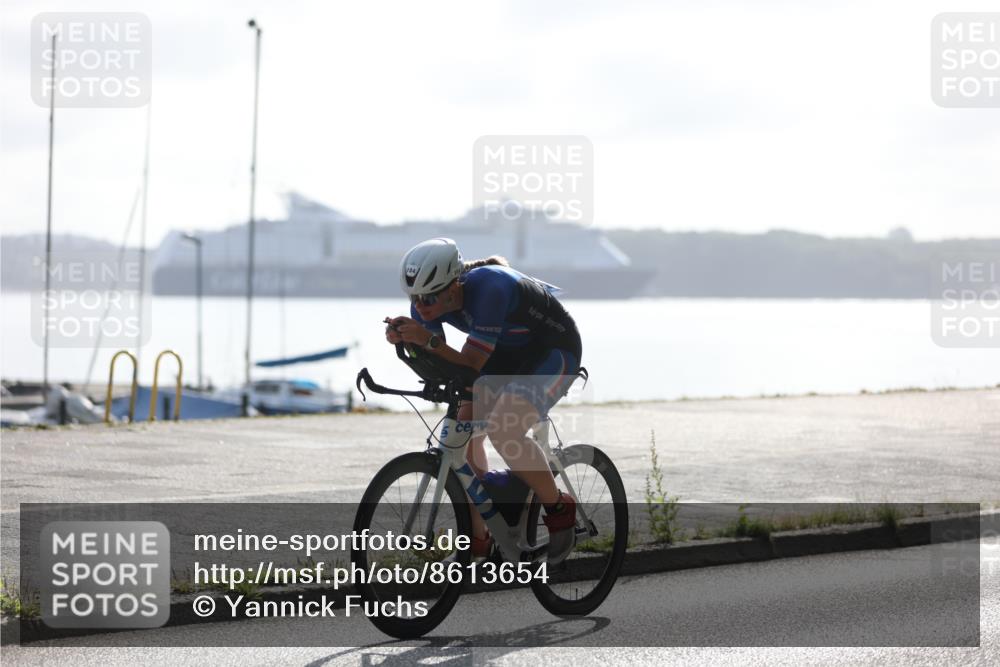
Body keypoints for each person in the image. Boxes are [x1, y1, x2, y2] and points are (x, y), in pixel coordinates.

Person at [385, 237, 582, 563]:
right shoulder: (424, 303)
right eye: (414, 298)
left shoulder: (491, 288)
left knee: (503, 430)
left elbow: (469, 363)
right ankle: (480, 538)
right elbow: (442, 363)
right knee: (460, 429)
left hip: (553, 352)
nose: (421, 306)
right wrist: (407, 342)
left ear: (453, 285)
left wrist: (426, 339)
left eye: (429, 297)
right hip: (504, 352)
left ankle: (559, 506)